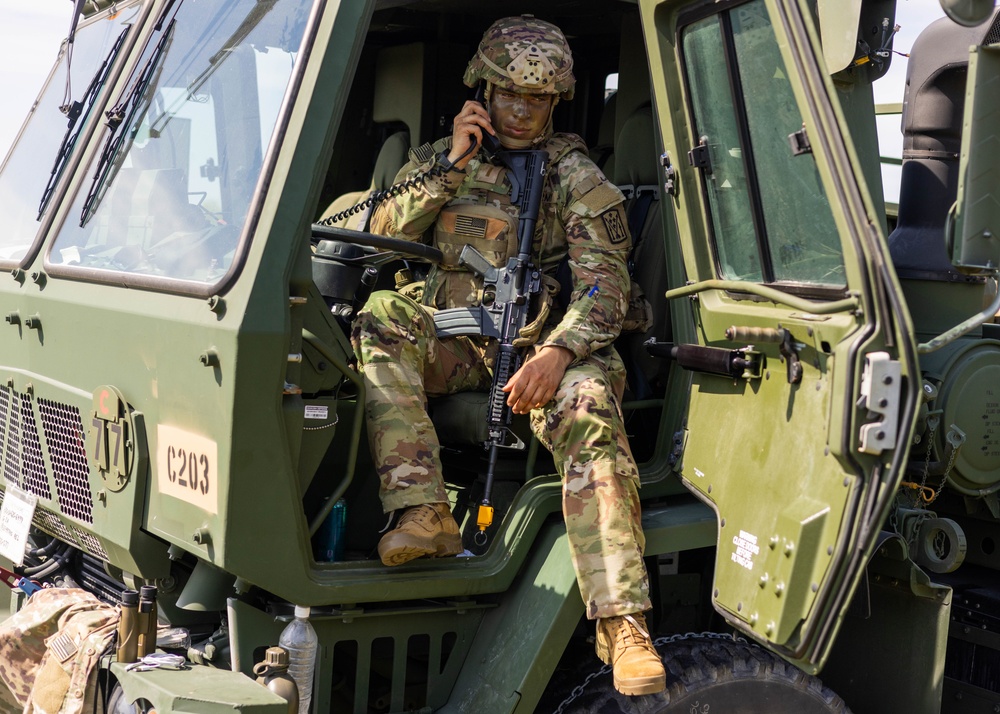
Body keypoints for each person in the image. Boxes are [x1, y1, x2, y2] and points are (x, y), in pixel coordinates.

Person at [351, 15, 666, 696]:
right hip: (460, 336)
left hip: (542, 346)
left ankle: (623, 623)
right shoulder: (445, 158)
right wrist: (450, 167)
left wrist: (556, 353)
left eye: (538, 100)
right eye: (508, 96)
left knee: (586, 401)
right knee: (380, 318)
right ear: (481, 92)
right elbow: (377, 235)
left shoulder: (574, 174)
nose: (522, 112)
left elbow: (607, 287)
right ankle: (422, 511)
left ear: (557, 103)